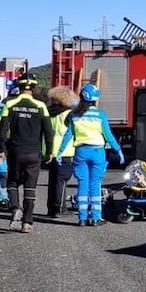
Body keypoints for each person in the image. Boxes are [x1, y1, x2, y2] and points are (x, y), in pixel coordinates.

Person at [56, 84, 124, 226]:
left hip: (80, 152)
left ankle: (82, 218)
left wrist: (60, 152)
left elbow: (68, 135)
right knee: (95, 184)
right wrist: (118, 150)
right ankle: (95, 217)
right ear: (95, 99)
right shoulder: (100, 115)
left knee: (82, 184)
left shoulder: (74, 116)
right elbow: (108, 136)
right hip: (97, 152)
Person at [0, 73, 54, 233]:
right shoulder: (41, 105)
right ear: (34, 87)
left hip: (15, 150)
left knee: (12, 182)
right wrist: (49, 151)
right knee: (30, 188)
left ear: (18, 86)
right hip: (34, 152)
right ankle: (27, 223)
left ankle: (15, 208)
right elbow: (49, 132)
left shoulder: (8, 104)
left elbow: (3, 130)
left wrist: (1, 149)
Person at [45, 85, 78, 217]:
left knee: (53, 180)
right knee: (62, 180)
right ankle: (60, 208)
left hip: (50, 151)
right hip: (64, 152)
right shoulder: (68, 114)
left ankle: (51, 208)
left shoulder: (48, 112)